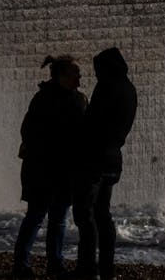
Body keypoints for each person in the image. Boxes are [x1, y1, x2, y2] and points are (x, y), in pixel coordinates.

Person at [12, 55, 86, 279]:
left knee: (54, 218)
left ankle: (50, 265)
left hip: (60, 171)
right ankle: (25, 265)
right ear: (62, 76)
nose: (80, 79)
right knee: (39, 216)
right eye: (76, 74)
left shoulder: (76, 99)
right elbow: (29, 132)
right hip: (43, 170)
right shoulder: (47, 99)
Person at [75, 48, 137, 280]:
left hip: (94, 160)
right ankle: (106, 269)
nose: (96, 74)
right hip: (113, 159)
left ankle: (87, 269)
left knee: (85, 215)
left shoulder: (107, 87)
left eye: (98, 69)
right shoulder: (129, 88)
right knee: (103, 214)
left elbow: (92, 122)